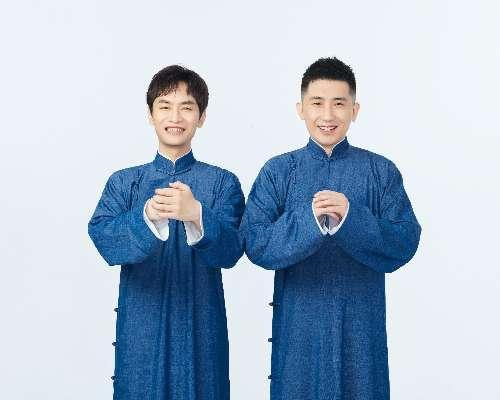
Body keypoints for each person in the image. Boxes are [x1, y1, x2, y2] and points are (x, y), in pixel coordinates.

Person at [241, 57, 421, 400]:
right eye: (317, 103)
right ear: (300, 109)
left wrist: (352, 218)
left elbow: (405, 240)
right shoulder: (278, 171)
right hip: (299, 330)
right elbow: (255, 242)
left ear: (355, 110)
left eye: (339, 104)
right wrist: (309, 221)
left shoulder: (381, 171)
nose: (327, 115)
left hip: (361, 330)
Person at [88, 65, 244, 400]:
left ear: (201, 117)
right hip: (141, 325)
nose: (175, 117)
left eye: (187, 107)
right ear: (150, 114)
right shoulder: (124, 182)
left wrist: (197, 215)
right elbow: (104, 240)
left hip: (201, 326)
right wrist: (145, 216)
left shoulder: (222, 183)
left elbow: (233, 250)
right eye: (165, 106)